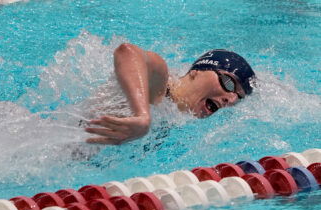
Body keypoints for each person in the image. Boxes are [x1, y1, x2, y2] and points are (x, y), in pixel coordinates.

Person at [85, 43, 255, 145]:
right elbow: (127, 52)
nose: (231, 99)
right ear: (196, 72)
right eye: (228, 83)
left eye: (238, 98)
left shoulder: (178, 121)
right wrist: (142, 114)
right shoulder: (160, 86)